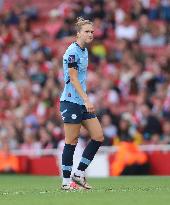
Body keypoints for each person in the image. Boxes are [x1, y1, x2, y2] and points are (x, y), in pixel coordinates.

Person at [60, 17, 104, 190]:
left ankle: (78, 174)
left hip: (81, 102)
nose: (90, 34)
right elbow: (73, 77)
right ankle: (65, 182)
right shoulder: (72, 51)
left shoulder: (84, 51)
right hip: (71, 102)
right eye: (87, 31)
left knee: (98, 136)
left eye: (92, 31)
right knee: (71, 141)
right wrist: (86, 99)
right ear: (78, 33)